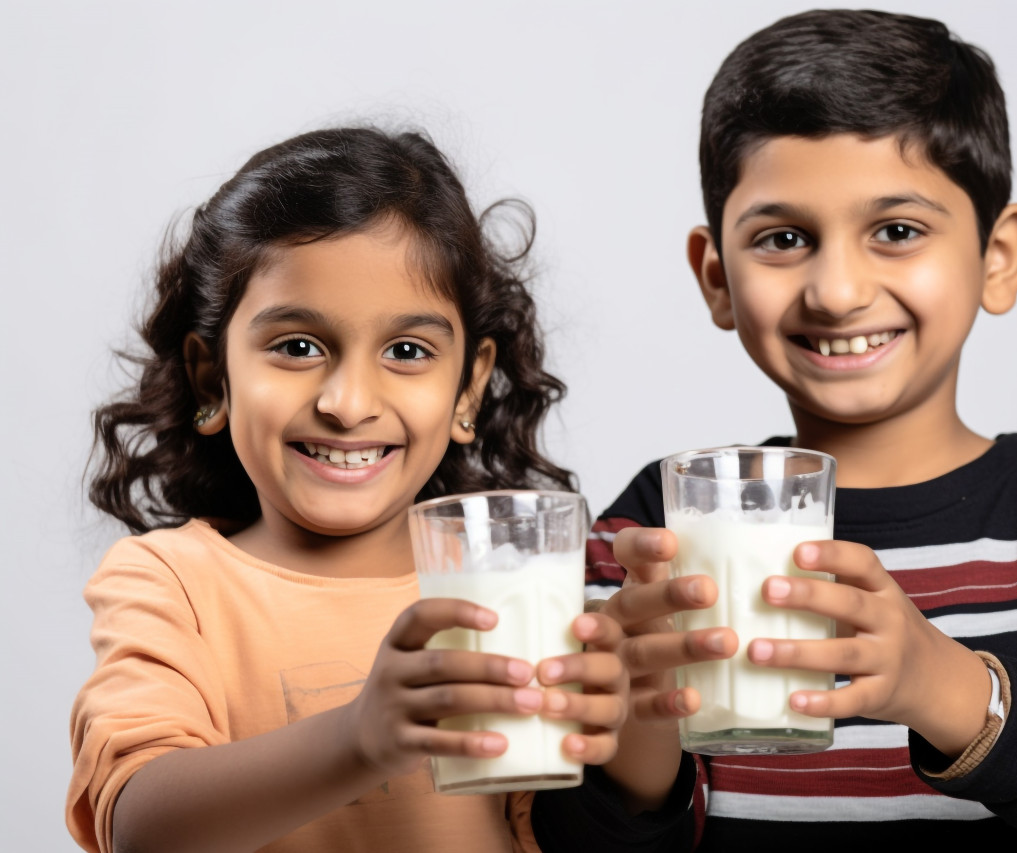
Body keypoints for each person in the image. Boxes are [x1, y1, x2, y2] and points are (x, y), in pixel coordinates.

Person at [530, 9, 1017, 852]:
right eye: (784, 238)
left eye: (897, 231)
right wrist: (640, 730)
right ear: (716, 276)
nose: (836, 290)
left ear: (999, 254)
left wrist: (942, 687)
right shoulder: (658, 523)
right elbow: (560, 838)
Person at [67, 126, 628, 853]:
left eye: (407, 351)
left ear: (469, 388)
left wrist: (640, 720)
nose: (349, 401)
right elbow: (141, 825)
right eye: (298, 346)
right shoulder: (173, 584)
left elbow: (584, 826)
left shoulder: (512, 585)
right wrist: (357, 739)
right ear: (213, 377)